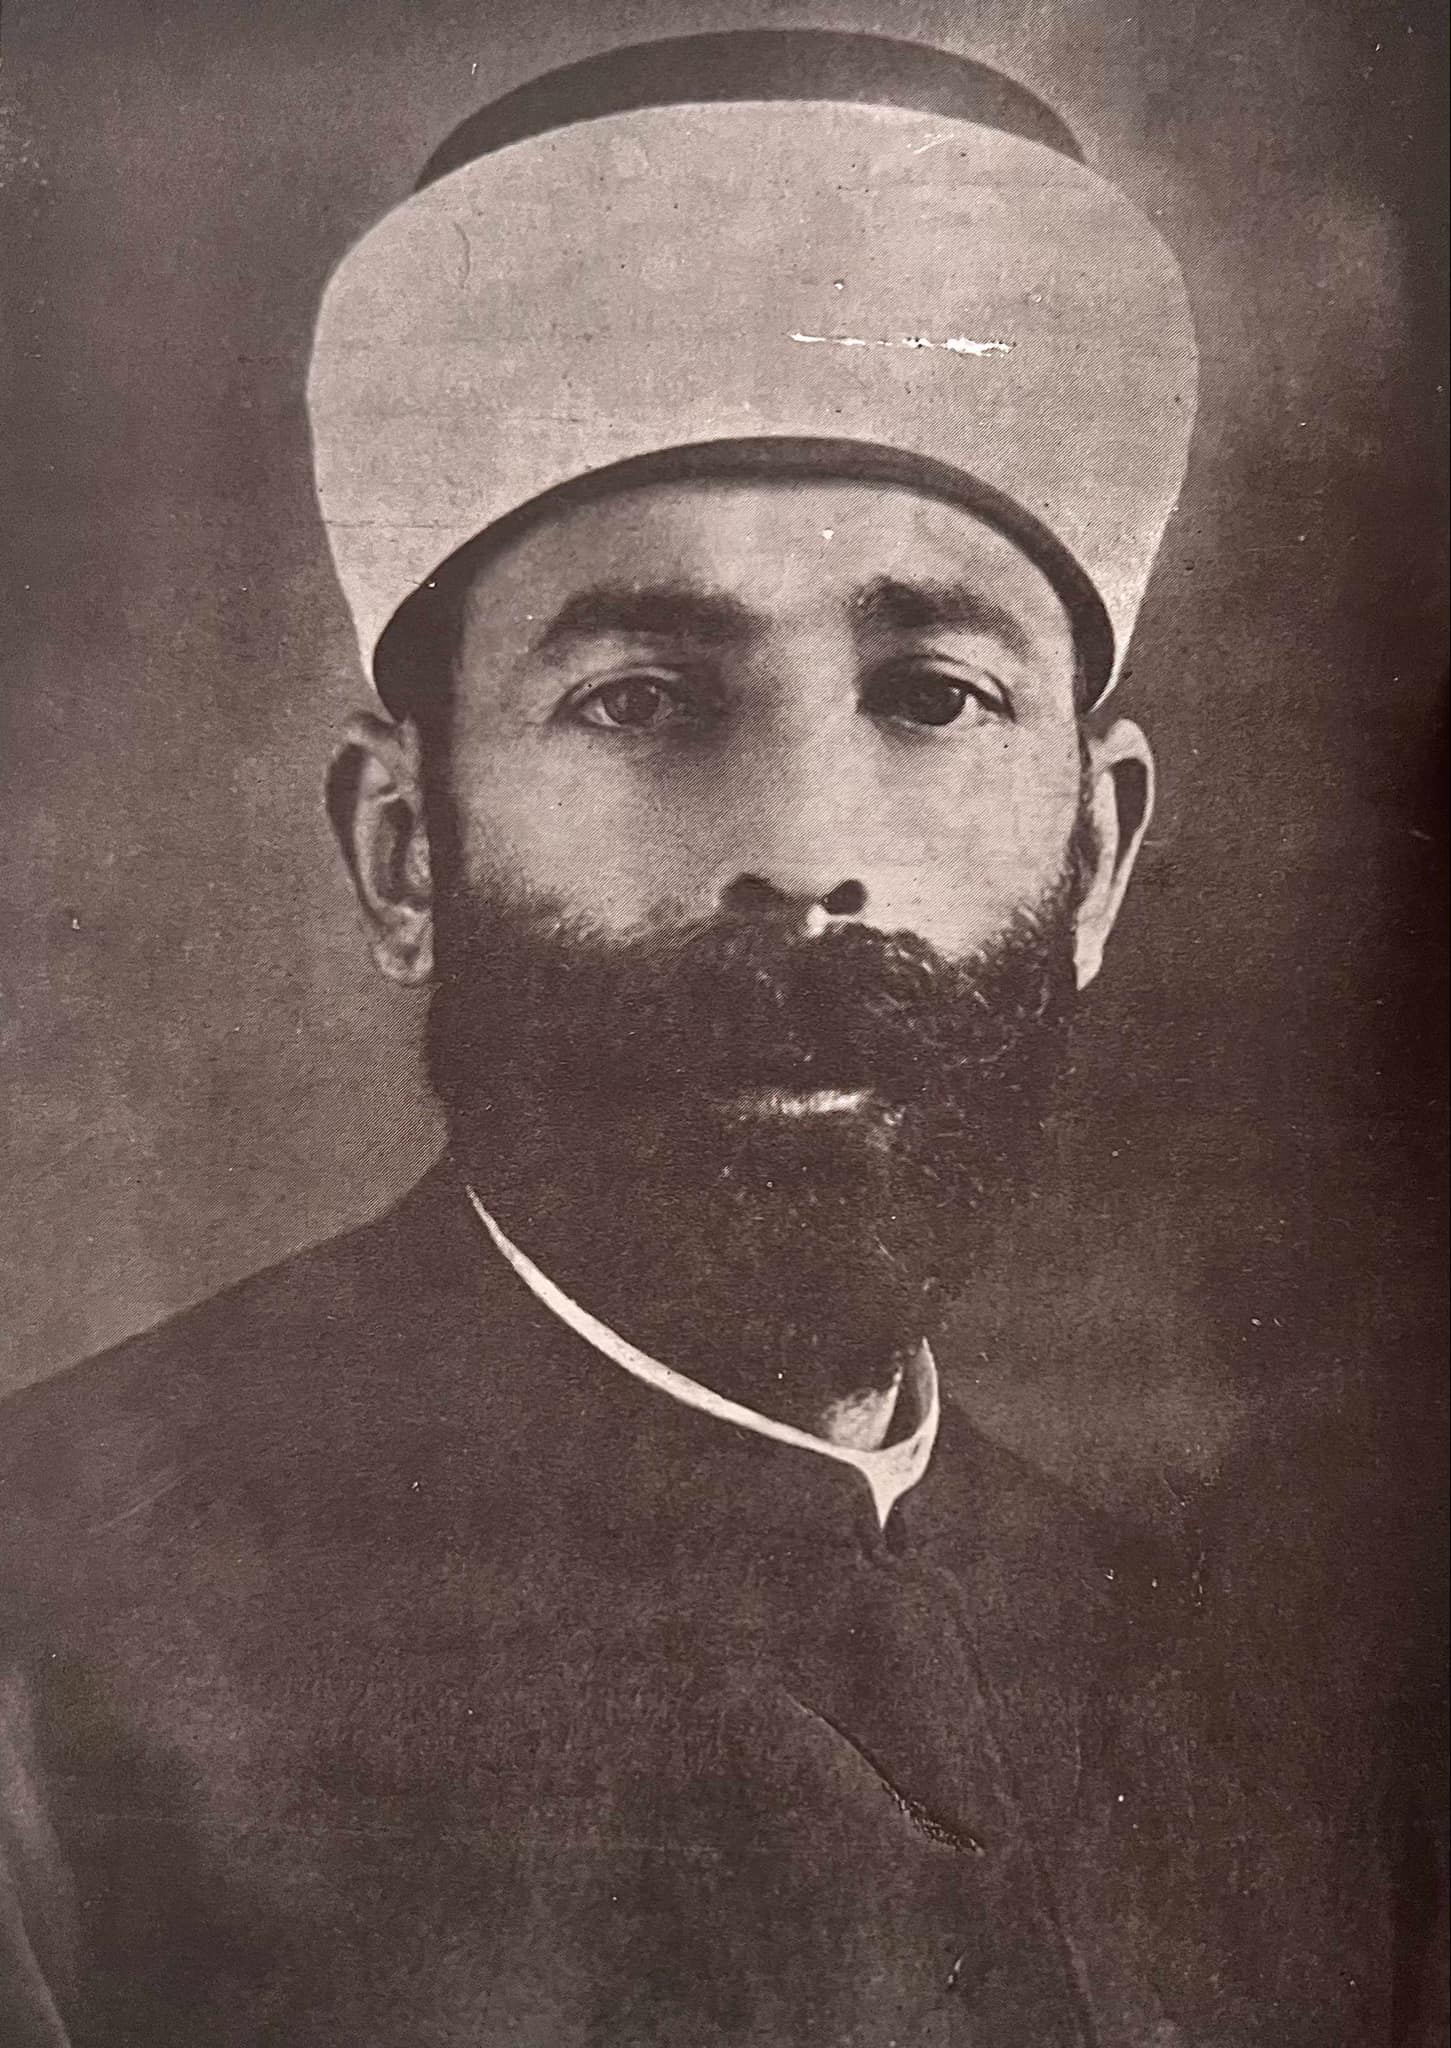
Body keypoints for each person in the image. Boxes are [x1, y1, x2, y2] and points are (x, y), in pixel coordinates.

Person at [0, 31, 1417, 2046]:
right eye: (642, 700)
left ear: (1097, 851)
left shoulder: (1239, 1700)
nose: (808, 855)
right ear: (407, 848)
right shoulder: (50, 1646)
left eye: (931, 696)